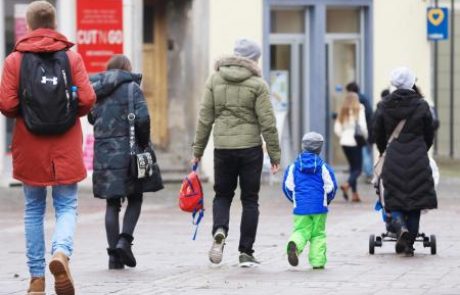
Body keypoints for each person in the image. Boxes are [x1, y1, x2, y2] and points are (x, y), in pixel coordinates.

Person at [0, 1, 95, 294]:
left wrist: (29, 114)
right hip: (65, 142)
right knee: (67, 205)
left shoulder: (14, 60)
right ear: (53, 25)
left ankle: (37, 278)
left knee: (33, 209)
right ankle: (61, 253)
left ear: (27, 26)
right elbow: (88, 99)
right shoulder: (71, 58)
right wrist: (68, 114)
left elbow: (6, 104)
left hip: (30, 143)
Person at [192, 38, 281, 267]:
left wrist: (198, 151)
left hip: (223, 148)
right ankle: (245, 252)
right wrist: (274, 154)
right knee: (250, 200)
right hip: (250, 148)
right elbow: (267, 122)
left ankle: (220, 230)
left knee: (222, 195)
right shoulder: (258, 84)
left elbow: (205, 118)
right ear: (254, 59)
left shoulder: (214, 79)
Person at [89, 55, 162, 269]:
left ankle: (113, 257)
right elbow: (143, 119)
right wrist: (143, 142)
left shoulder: (97, 89)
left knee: (112, 204)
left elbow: (92, 118)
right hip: (130, 154)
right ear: (127, 69)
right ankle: (125, 241)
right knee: (135, 198)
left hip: (104, 154)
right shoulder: (132, 88)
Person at [373, 67, 437, 256]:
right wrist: (420, 149)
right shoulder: (422, 105)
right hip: (417, 156)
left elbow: (377, 133)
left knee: (394, 198)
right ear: (411, 82)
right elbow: (429, 133)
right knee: (415, 200)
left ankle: (400, 228)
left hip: (393, 157)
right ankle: (408, 243)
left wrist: (385, 150)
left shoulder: (384, 105)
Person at [282, 132, 337, 269]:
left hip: (300, 207)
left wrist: (294, 200)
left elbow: (287, 187)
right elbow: (331, 187)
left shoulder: (293, 167)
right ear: (320, 148)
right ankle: (317, 263)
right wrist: (327, 200)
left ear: (303, 146)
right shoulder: (323, 167)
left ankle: (294, 243)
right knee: (318, 234)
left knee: (301, 230)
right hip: (319, 207)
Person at [334, 92, 368, 202]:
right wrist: (365, 137)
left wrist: (343, 136)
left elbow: (337, 129)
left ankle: (354, 194)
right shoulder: (359, 108)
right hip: (355, 141)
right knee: (358, 169)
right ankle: (347, 184)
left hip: (344, 142)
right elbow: (362, 127)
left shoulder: (342, 109)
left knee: (353, 168)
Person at [346, 82, 373, 183]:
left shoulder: (358, 100)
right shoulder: (363, 98)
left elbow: (360, 118)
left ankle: (369, 174)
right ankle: (366, 173)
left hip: (363, 131)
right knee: (365, 152)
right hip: (367, 130)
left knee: (364, 152)